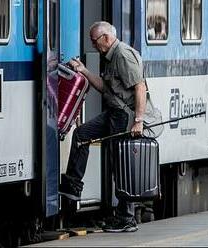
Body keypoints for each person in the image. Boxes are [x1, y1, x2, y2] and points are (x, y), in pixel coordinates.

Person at [59, 21, 146, 233]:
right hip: (113, 113)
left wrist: (139, 120)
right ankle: (72, 189)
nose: (93, 45)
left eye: (94, 40)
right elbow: (105, 89)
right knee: (81, 135)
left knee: (120, 163)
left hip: (124, 116)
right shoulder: (110, 56)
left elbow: (140, 87)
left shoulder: (123, 56)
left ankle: (126, 218)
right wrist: (84, 71)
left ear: (106, 38)